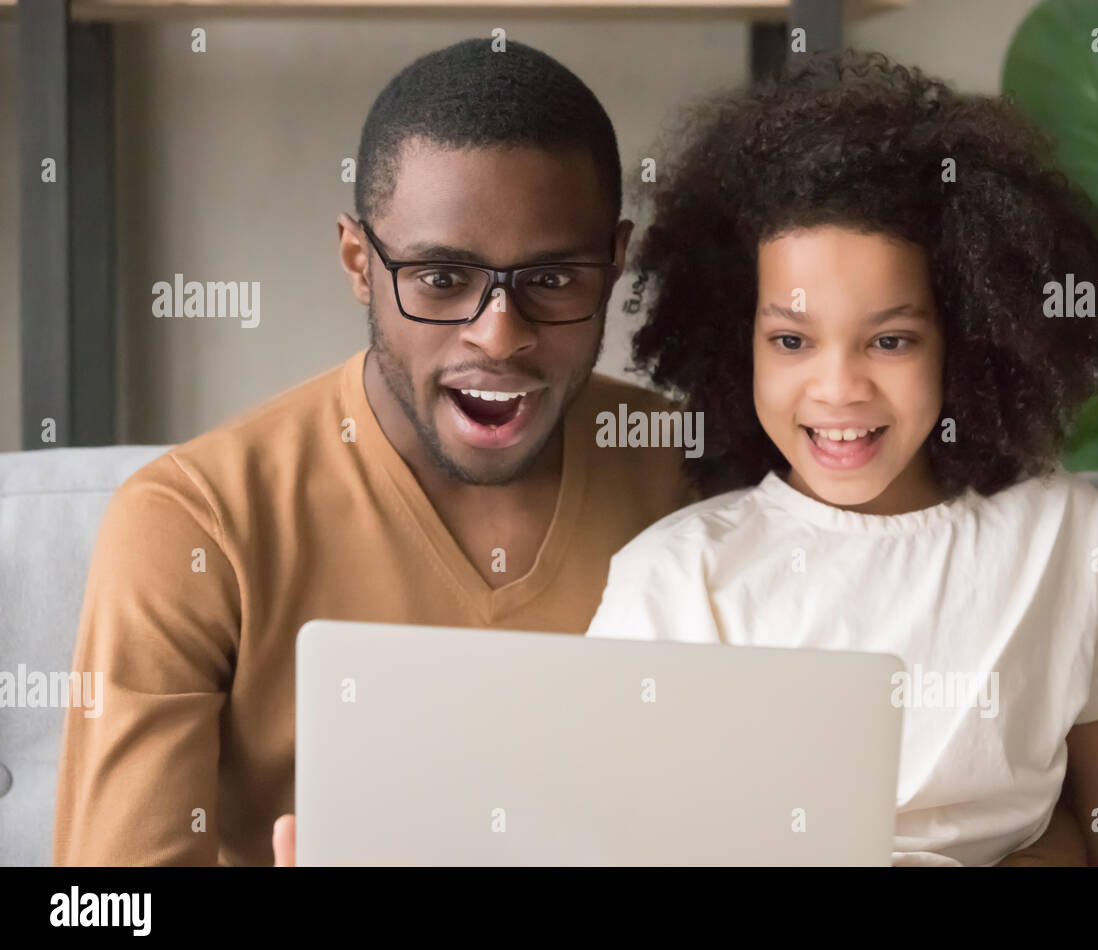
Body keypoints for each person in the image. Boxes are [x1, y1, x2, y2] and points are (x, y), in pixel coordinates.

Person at [52, 39, 695, 866]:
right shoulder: (191, 523)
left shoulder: (691, 471)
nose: (497, 336)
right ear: (360, 263)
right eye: (438, 279)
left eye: (552, 279)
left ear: (613, 264)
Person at [585, 49, 1098, 866]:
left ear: (971, 337)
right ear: (739, 346)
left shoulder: (1062, 535)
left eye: (890, 339)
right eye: (792, 340)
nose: (839, 387)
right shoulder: (675, 577)